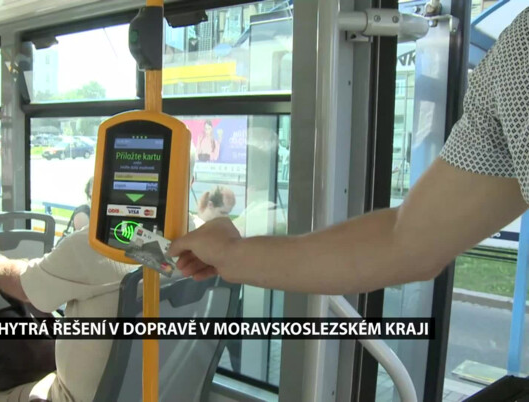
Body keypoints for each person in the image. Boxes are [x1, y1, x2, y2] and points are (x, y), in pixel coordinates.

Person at [169, 10, 529, 294]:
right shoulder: (515, 56)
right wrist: (232, 254)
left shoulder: (518, 53)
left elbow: (408, 244)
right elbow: (408, 242)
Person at [0, 149, 200, 402]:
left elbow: (22, 285)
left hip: (75, 397)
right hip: (161, 391)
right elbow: (152, 253)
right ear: (190, 181)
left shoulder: (102, 243)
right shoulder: (200, 242)